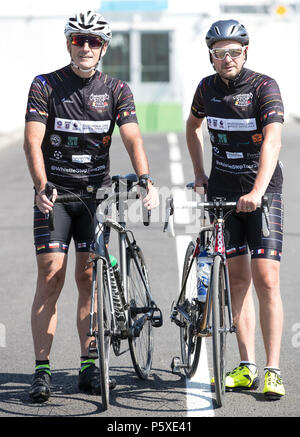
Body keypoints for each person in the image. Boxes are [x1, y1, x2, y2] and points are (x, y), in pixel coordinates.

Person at [24, 10, 159, 403]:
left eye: (94, 41)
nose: (85, 47)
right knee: (51, 276)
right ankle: (42, 370)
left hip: (96, 198)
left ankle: (88, 365)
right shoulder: (45, 84)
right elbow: (33, 141)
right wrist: (41, 184)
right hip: (56, 194)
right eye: (78, 39)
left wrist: (145, 175)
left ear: (104, 46)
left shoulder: (116, 89)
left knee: (88, 278)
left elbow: (132, 137)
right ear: (68, 43)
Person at [186, 19, 285, 400]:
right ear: (210, 56)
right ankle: (247, 366)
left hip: (262, 194)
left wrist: (258, 191)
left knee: (267, 280)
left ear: (245, 52)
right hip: (222, 194)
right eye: (218, 52)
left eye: (233, 51)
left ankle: (273, 369)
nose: (226, 58)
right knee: (238, 281)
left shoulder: (264, 87)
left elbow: (273, 142)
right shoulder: (206, 88)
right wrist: (199, 173)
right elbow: (192, 126)